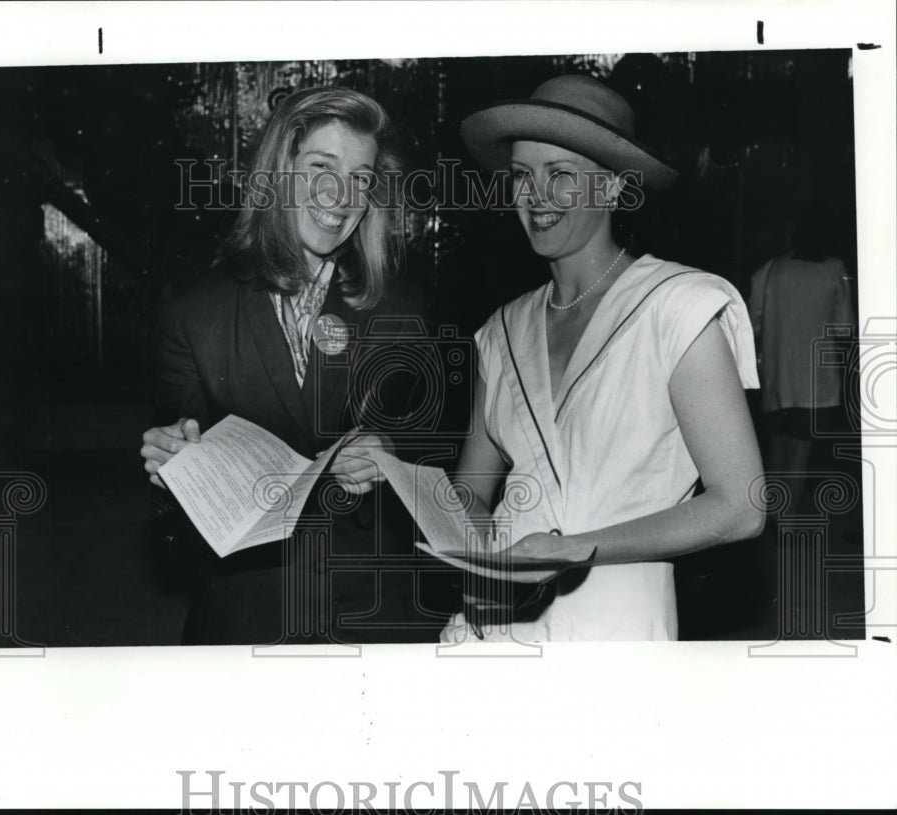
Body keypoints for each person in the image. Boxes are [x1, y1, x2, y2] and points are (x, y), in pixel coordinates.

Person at [438, 75, 765, 642]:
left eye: (560, 175)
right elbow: (470, 494)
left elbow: (741, 507)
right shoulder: (501, 331)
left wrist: (573, 550)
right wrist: (400, 481)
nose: (535, 196)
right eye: (522, 176)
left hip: (616, 626)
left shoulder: (676, 307)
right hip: (497, 626)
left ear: (612, 188)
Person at [140, 86, 439, 645]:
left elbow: (433, 457)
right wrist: (170, 469)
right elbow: (176, 497)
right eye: (322, 166)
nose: (340, 194)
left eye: (360, 177)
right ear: (281, 169)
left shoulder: (401, 308)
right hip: (248, 612)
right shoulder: (196, 309)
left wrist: (392, 459)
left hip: (372, 613)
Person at [749, 203, 855, 516]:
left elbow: (754, 321)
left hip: (776, 378)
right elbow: (845, 326)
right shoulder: (835, 269)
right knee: (799, 452)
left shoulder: (769, 269)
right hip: (817, 383)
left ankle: (770, 516)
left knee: (777, 447)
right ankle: (787, 522)